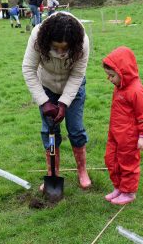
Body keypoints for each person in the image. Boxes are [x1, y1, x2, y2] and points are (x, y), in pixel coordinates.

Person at [22, 12, 91, 191]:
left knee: (76, 130)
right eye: (55, 47)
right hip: (46, 87)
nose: (60, 53)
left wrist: (63, 103)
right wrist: (44, 102)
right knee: (49, 132)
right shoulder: (38, 37)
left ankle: (82, 171)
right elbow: (28, 69)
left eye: (64, 48)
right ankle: (53, 174)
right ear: (47, 40)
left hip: (72, 87)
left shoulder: (82, 42)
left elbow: (77, 75)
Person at [102, 46, 143, 205]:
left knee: (127, 163)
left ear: (123, 72)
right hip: (115, 134)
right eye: (108, 76)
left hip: (129, 137)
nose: (109, 79)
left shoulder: (136, 90)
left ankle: (129, 192)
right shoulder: (120, 87)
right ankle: (119, 187)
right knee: (111, 159)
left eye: (112, 75)